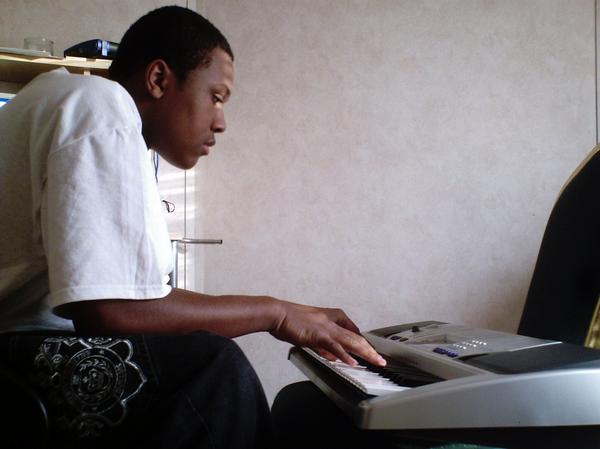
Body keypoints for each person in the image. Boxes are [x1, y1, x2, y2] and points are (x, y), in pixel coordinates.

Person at [0, 5, 385, 449]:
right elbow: (108, 313)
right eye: (216, 97)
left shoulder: (79, 107)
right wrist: (275, 314)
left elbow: (134, 301)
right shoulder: (99, 105)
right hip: (14, 363)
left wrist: (285, 310)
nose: (221, 122)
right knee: (215, 371)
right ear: (158, 79)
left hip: (21, 355)